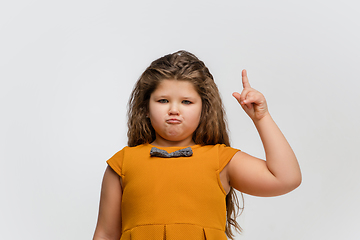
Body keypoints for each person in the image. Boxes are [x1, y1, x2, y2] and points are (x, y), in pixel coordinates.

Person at [92, 50, 302, 240]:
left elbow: (286, 178)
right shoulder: (121, 164)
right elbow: (106, 234)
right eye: (163, 100)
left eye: (186, 101)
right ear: (145, 108)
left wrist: (261, 118)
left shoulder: (221, 160)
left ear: (204, 109)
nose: (174, 109)